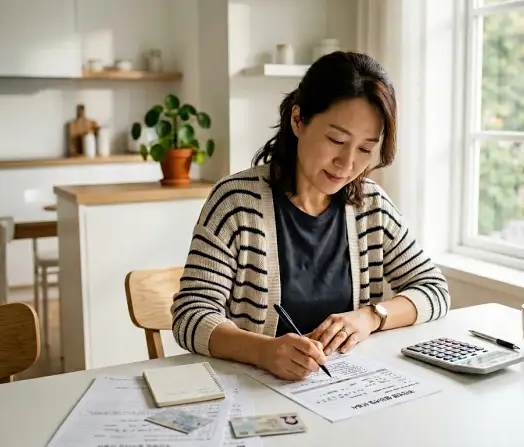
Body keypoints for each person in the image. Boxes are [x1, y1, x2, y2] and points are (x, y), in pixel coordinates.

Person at [171, 51, 450, 381]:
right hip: (256, 393)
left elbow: (434, 290)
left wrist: (370, 317)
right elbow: (190, 314)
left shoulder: (371, 206)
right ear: (298, 120)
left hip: (344, 392)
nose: (347, 164)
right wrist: (263, 351)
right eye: (336, 140)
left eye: (364, 149)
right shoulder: (237, 203)